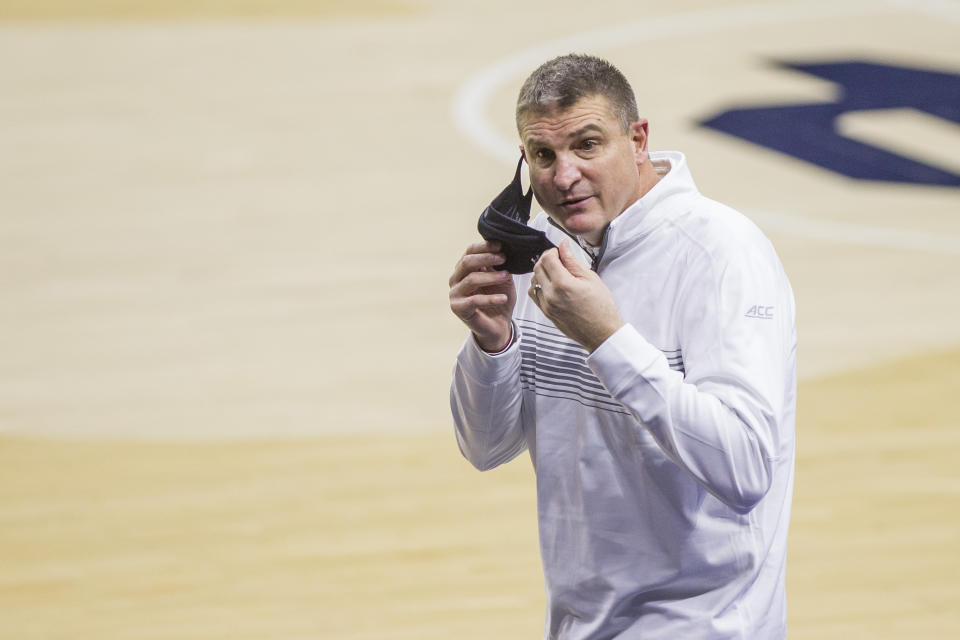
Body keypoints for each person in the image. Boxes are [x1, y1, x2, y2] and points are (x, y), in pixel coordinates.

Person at [447, 54, 797, 639]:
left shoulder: (722, 255)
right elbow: (485, 448)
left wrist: (607, 339)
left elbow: (746, 466)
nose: (563, 177)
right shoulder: (547, 258)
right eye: (543, 155)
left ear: (637, 139)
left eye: (587, 145)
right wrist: (493, 344)